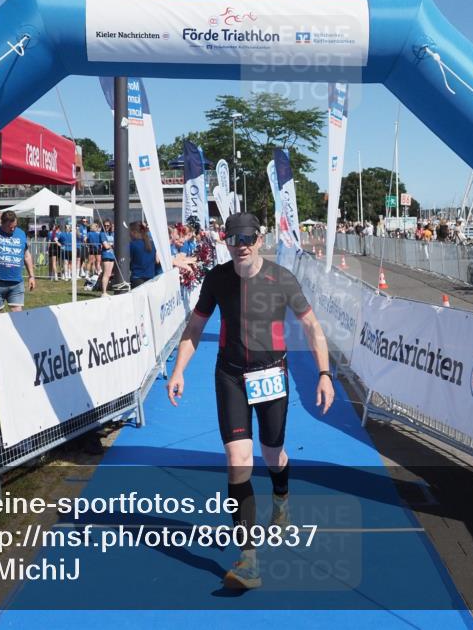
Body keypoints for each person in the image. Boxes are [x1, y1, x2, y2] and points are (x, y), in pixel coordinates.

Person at [165, 212, 334, 590]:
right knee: (238, 461)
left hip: (271, 375)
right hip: (230, 376)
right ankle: (248, 558)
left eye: (246, 239)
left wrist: (324, 373)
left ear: (259, 240)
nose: (240, 246)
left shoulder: (281, 278)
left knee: (273, 454)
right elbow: (195, 327)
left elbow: (311, 325)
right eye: (233, 240)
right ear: (226, 242)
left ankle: (281, 497)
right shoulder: (217, 278)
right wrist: (178, 371)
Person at [128, 221, 159, 288]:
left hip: (137, 277)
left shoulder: (132, 244)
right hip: (151, 278)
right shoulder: (152, 244)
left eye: (129, 232)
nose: (129, 234)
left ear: (134, 232)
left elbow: (127, 259)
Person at [97, 219, 117, 295]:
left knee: (108, 274)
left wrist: (111, 245)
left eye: (108, 225)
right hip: (106, 255)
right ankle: (104, 292)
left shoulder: (112, 233)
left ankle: (104, 290)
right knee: (106, 274)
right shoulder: (102, 234)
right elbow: (106, 246)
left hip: (112, 256)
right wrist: (112, 245)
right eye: (105, 225)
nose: (106, 227)